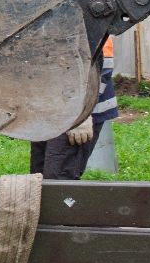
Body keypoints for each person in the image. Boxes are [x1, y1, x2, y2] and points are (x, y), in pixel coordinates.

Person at [30, 36, 117, 179]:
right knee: (38, 178)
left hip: (77, 113)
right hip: (49, 106)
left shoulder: (86, 26)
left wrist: (82, 114)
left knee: (58, 178)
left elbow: (99, 65)